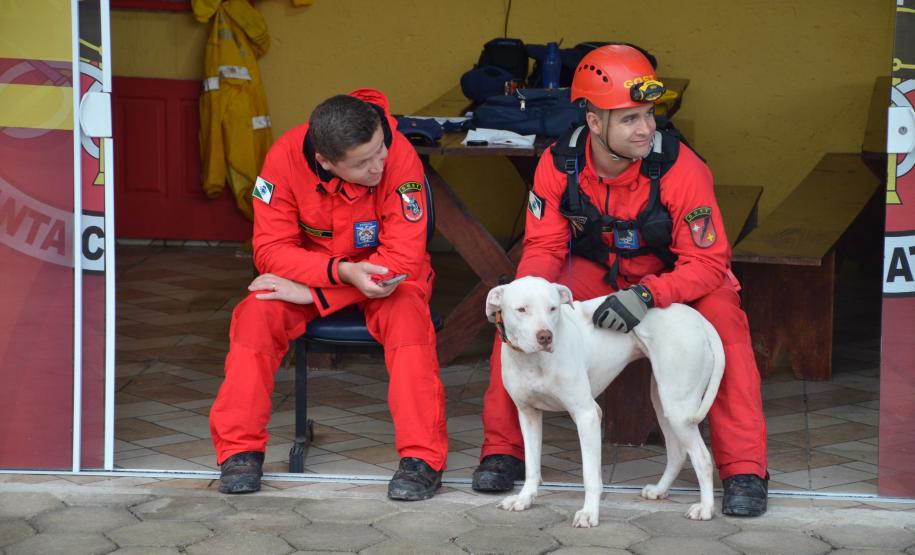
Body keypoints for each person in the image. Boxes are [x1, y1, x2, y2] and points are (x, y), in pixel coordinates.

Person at [472, 45, 770, 517]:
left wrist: (650, 293)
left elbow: (710, 261)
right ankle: (504, 451)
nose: (646, 128)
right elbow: (545, 250)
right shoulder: (559, 163)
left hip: (677, 274)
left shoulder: (680, 166)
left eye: (649, 115)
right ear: (594, 123)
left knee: (725, 323)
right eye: (629, 118)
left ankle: (744, 468)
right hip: (597, 271)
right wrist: (528, 301)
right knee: (520, 322)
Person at [209, 89, 448, 501]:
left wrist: (317, 296)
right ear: (325, 161)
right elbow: (269, 251)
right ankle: (240, 452)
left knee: (410, 318)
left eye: (379, 151)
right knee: (255, 314)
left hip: (386, 276)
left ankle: (422, 460)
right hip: (317, 274)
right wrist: (338, 274)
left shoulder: (396, 149)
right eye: (362, 163)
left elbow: (403, 255)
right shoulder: (284, 158)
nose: (379, 165)